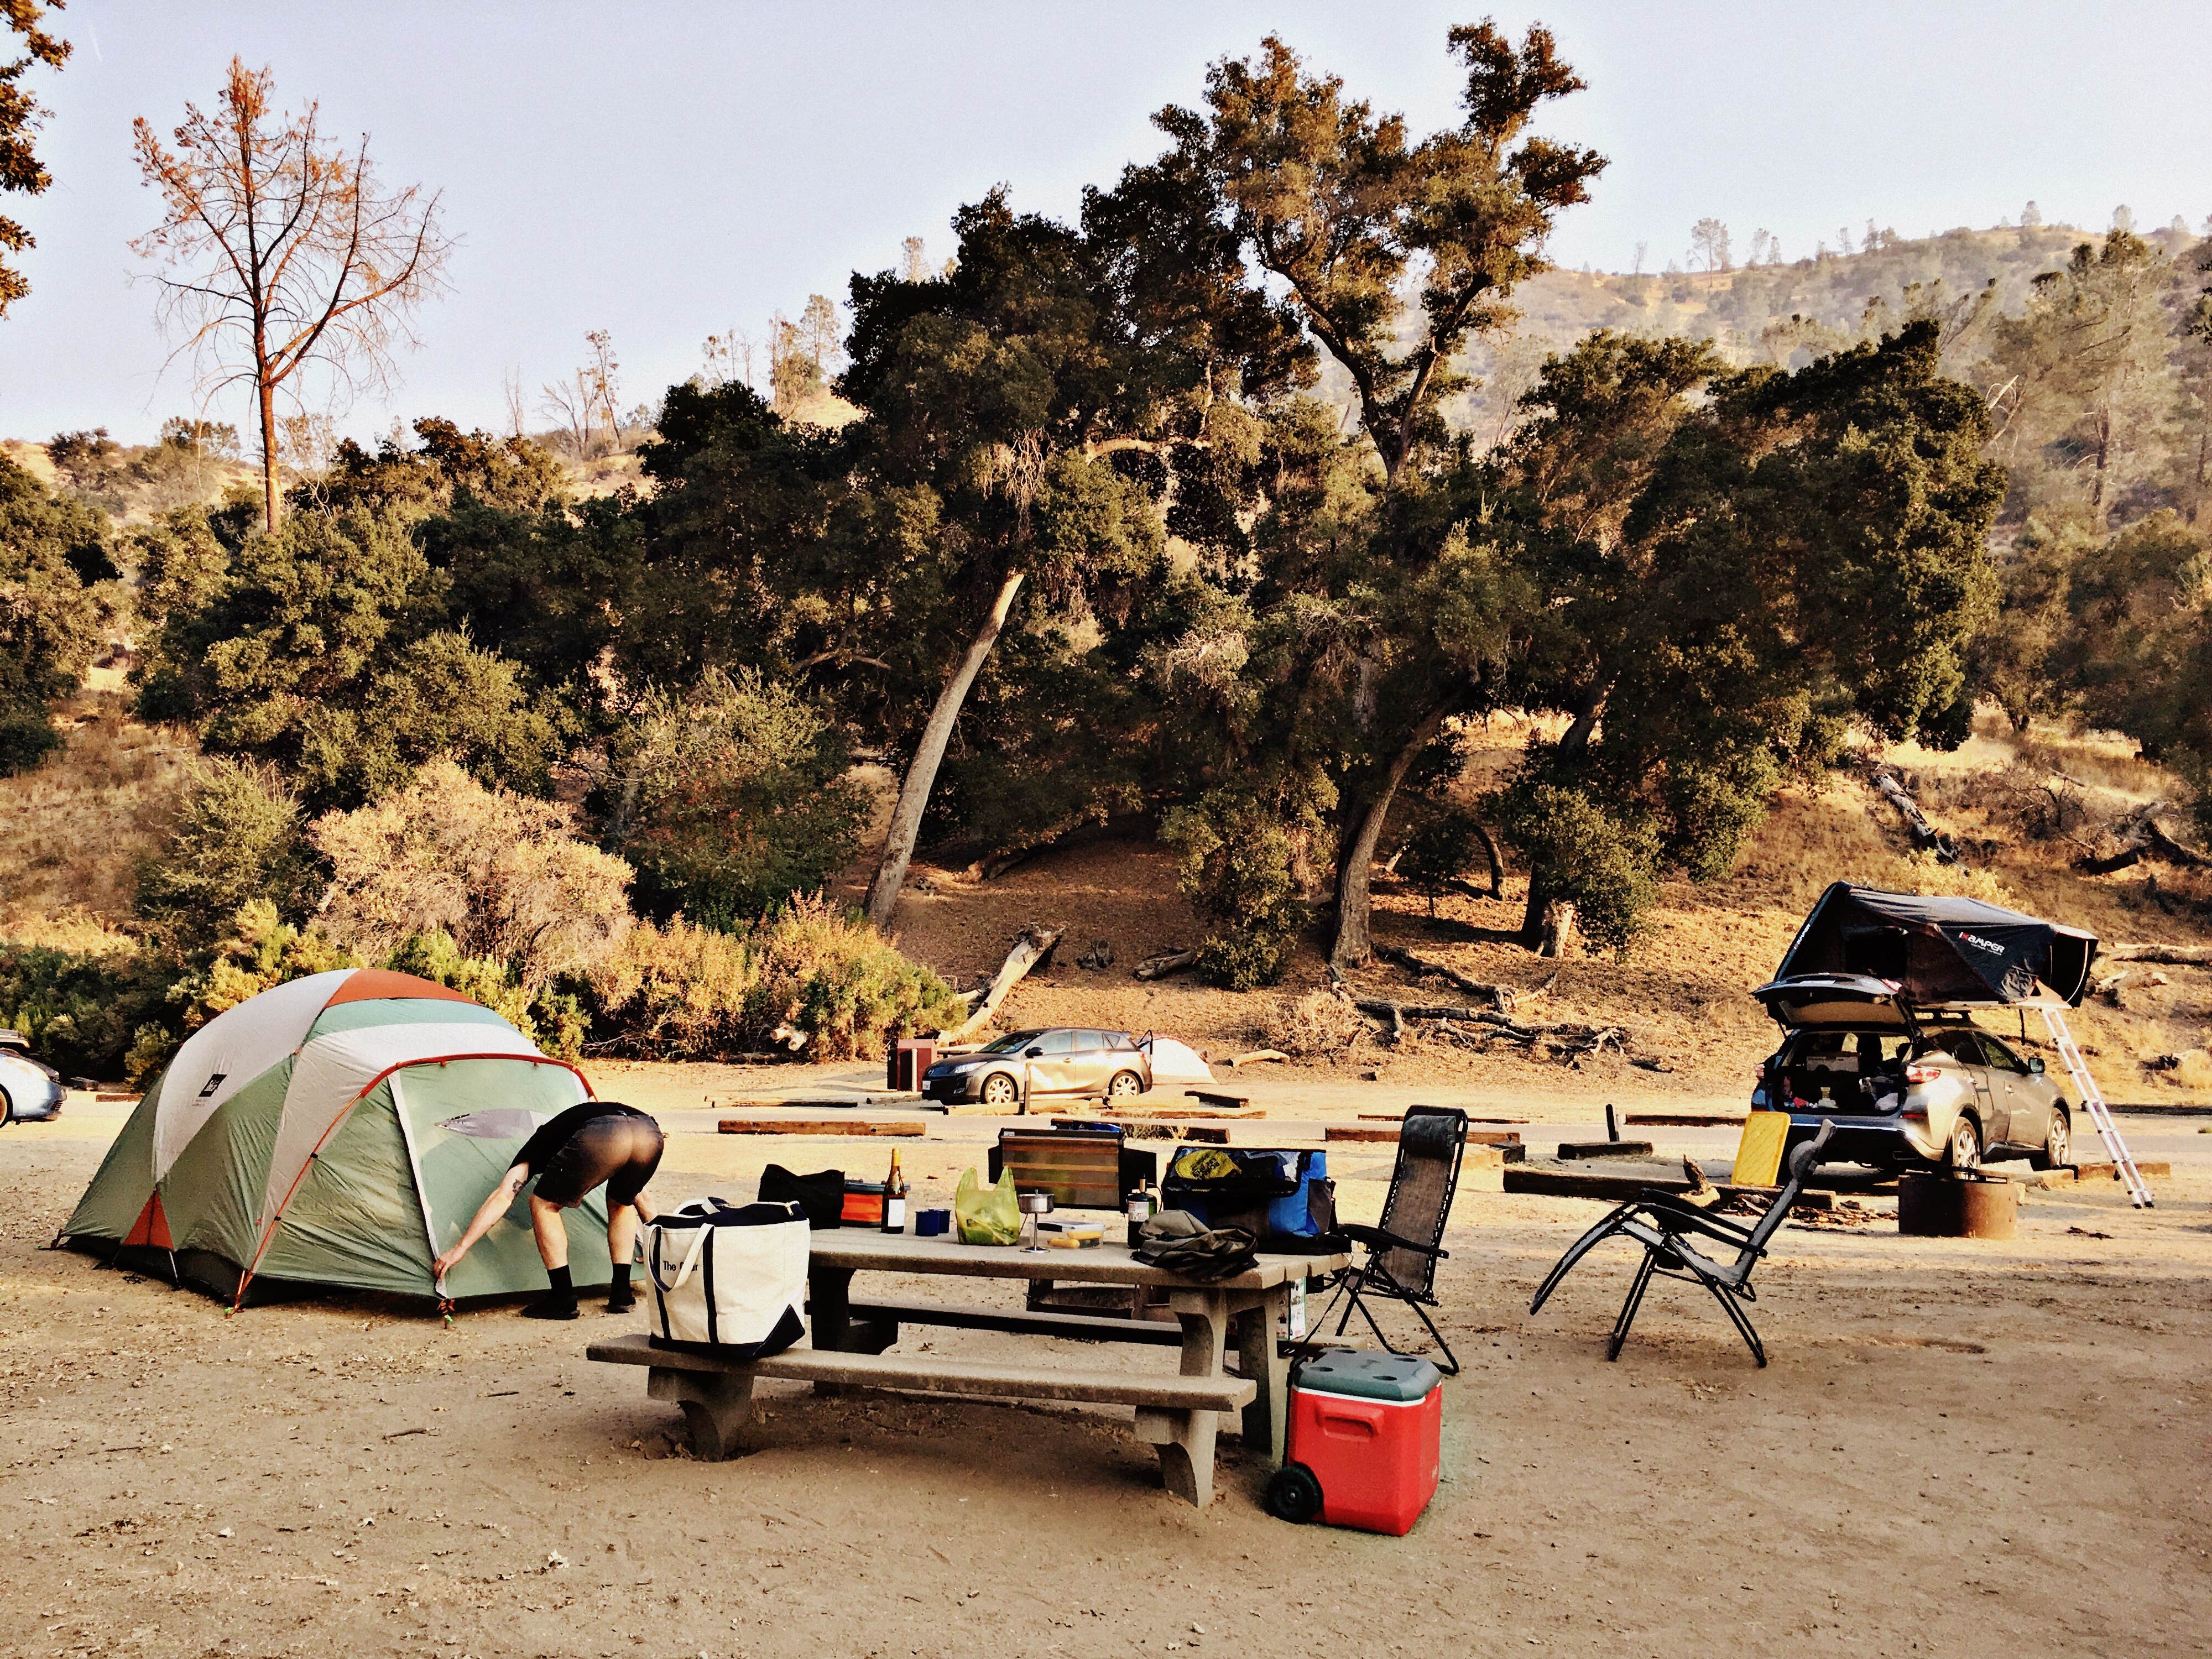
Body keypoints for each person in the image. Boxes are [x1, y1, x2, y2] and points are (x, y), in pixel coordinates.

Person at [432, 1101, 664, 1319]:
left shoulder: (539, 1143)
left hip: (604, 1134)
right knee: (621, 1201)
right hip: (648, 1131)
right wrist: (660, 1246)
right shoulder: (569, 1123)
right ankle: (622, 1294)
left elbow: (503, 1195)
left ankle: (562, 1298)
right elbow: (639, 1196)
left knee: (543, 1203)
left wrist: (459, 1248)